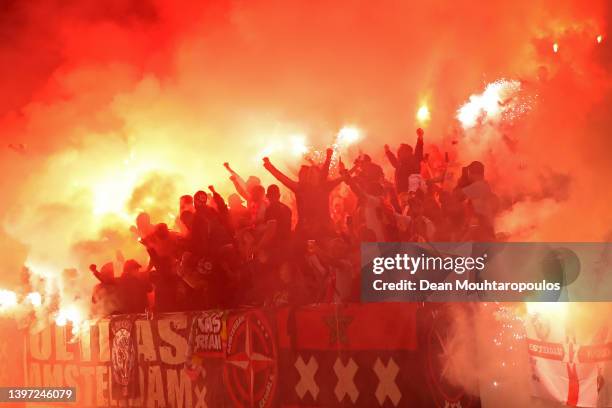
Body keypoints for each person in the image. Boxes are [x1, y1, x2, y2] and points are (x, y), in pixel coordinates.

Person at [263, 156, 342, 240]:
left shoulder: (319, 188)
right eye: (300, 174)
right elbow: (283, 178)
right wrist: (270, 167)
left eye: (303, 174)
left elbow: (326, 175)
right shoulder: (300, 189)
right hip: (306, 232)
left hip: (319, 232)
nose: (300, 176)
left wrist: (270, 167)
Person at [384, 128, 425, 193]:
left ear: (405, 152)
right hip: (402, 191)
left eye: (400, 150)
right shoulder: (401, 162)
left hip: (411, 191)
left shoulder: (413, 159)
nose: (398, 152)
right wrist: (388, 152)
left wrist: (420, 138)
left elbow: (418, 150)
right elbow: (394, 162)